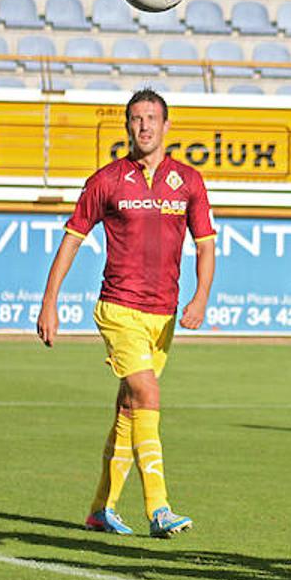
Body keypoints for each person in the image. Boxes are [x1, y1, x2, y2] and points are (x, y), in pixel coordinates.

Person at [37, 88, 216, 538]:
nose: (145, 126)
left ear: (167, 126)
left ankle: (101, 508)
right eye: (136, 118)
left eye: (152, 118)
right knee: (147, 394)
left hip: (164, 314)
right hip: (119, 308)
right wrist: (49, 301)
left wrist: (200, 298)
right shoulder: (107, 180)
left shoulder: (189, 181)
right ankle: (158, 507)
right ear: (127, 126)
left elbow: (206, 245)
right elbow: (72, 239)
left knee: (129, 407)